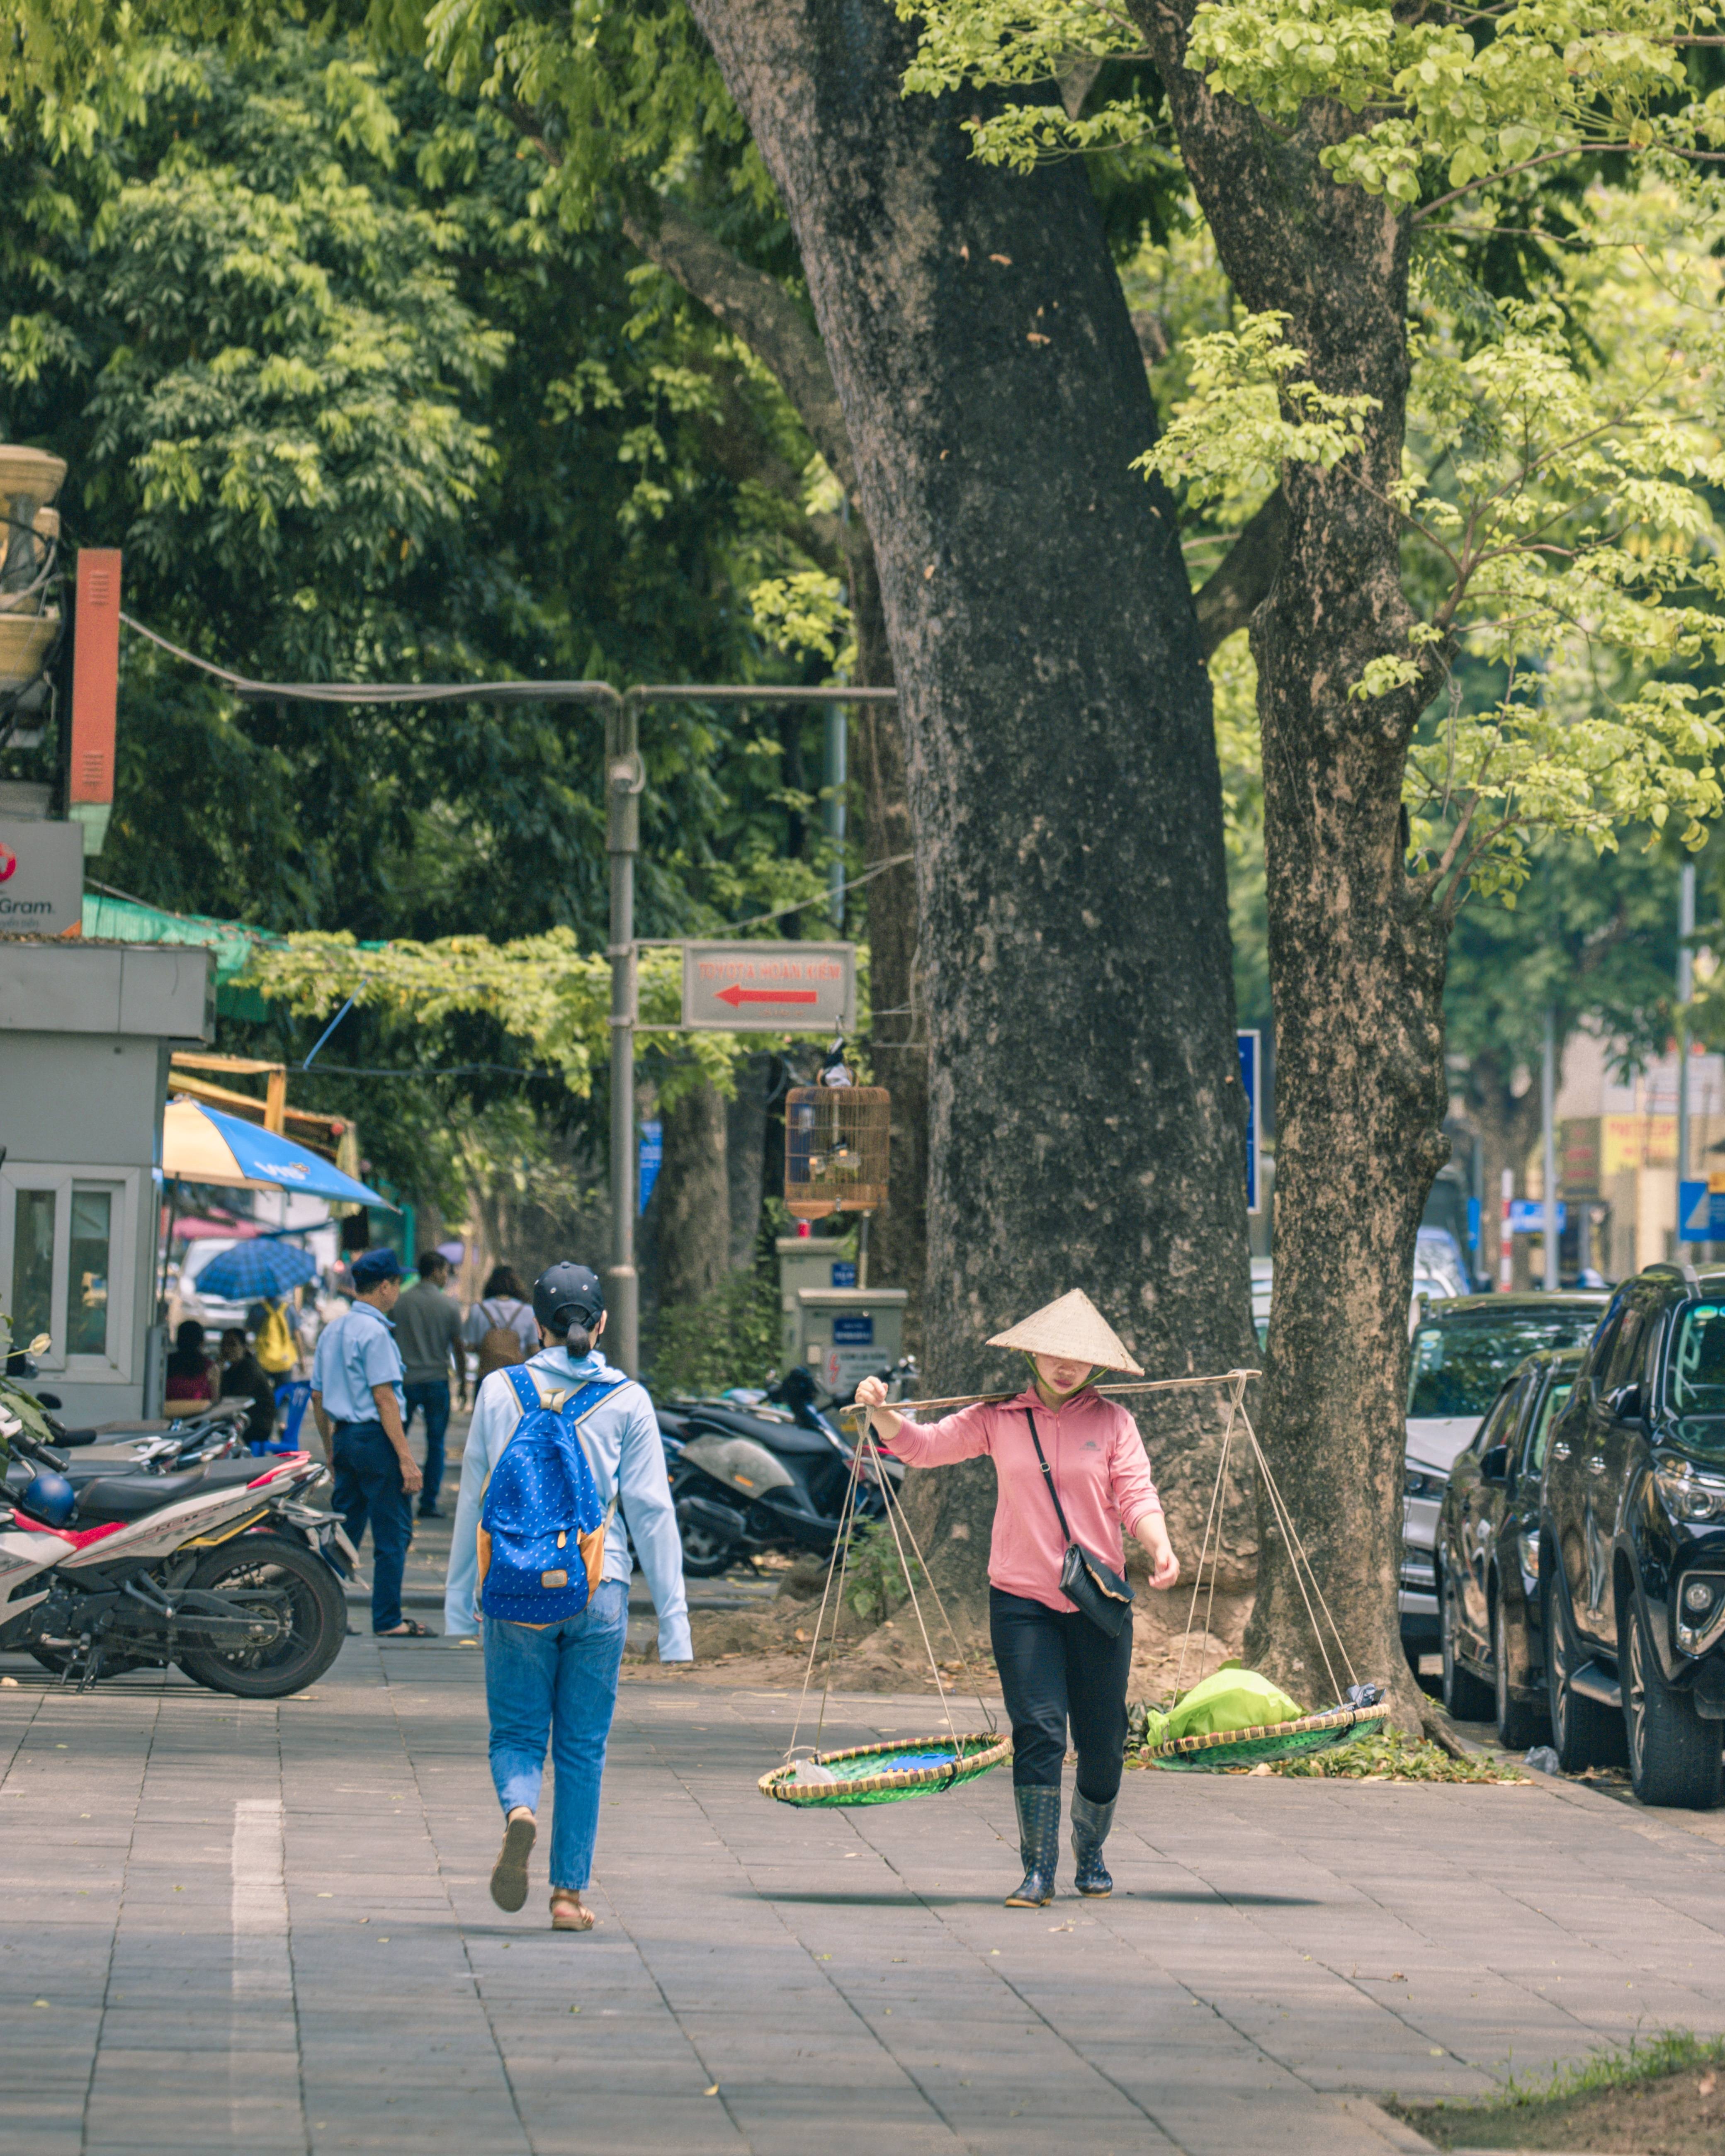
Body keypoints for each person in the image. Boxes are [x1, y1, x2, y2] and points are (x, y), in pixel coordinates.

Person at [855, 1289, 1179, 1909]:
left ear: (1098, 1365)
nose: (1065, 1366)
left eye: (1079, 1358)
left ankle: (1092, 1850)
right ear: (1031, 1353)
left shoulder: (1114, 1422)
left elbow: (1137, 1496)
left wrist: (1159, 1546)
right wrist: (880, 1413)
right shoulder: (996, 1417)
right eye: (1054, 1354)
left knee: (1103, 1740)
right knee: (1038, 1731)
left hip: (1097, 1601)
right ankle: (1038, 1869)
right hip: (1021, 1598)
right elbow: (923, 1448)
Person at [445, 1262, 690, 1933]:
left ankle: (520, 1809)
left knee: (518, 1734)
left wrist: (457, 1598)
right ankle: (566, 1896)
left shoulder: (500, 1392)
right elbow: (651, 1511)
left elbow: (475, 1495)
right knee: (582, 1748)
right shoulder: (628, 1400)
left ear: (537, 1325)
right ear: (602, 1322)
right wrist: (675, 1626)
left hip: (516, 1590)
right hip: (598, 1587)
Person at [310, 1248, 428, 1639]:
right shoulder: (375, 1333)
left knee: (344, 1532)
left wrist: (330, 1446)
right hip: (377, 1440)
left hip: (345, 1437)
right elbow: (385, 1399)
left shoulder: (333, 1330)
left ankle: (324, 1612)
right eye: (396, 1284)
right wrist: (407, 1459)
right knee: (392, 1533)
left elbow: (317, 1396)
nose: (397, 1292)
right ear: (384, 1287)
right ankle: (388, 1619)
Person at [392, 1251, 467, 1520]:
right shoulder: (449, 1306)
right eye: (445, 1271)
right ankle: (428, 1502)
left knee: (397, 1440)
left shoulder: (400, 1302)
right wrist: (461, 1381)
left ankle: (394, 1493)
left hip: (405, 1380)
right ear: (435, 1271)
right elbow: (458, 1347)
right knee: (436, 1443)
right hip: (436, 1380)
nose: (447, 1277)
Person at [464, 1266, 538, 1383]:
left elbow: (470, 1346)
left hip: (487, 1378)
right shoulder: (528, 1311)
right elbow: (534, 1349)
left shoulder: (478, 1310)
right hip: (517, 1379)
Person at [217, 1327, 277, 1448]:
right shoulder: (232, 1370)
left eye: (233, 1345)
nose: (227, 1349)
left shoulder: (249, 1369)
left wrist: (218, 1372)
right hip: (241, 1420)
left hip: (257, 1425)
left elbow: (232, 1400)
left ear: (244, 1347)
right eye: (224, 1344)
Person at [163, 1318, 217, 1409]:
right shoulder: (210, 1367)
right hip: (198, 1419)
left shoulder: (167, 1363)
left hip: (167, 1415)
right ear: (201, 1342)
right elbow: (215, 1401)